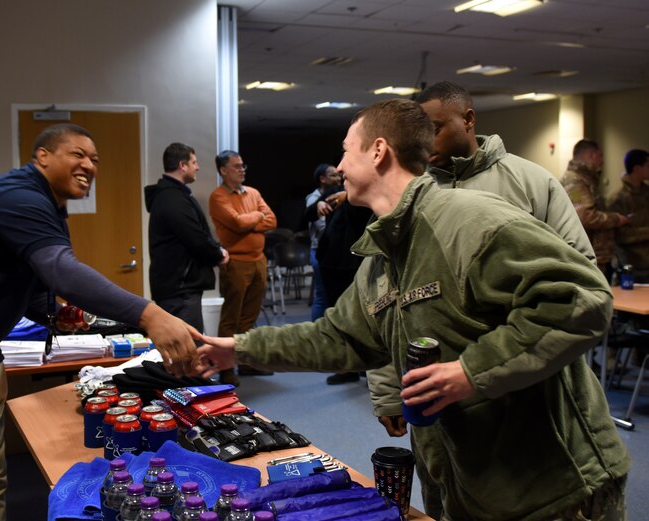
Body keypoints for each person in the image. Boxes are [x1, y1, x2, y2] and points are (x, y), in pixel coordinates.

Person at [195, 100, 629, 521]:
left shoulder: (469, 221)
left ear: (379, 151)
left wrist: (471, 371)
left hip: (554, 490)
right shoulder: (383, 258)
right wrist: (237, 349)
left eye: (346, 150)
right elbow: (338, 337)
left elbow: (581, 297)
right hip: (471, 482)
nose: (340, 166)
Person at [0, 124, 198, 521]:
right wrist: (150, 315)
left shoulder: (50, 209)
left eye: (95, 159)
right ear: (42, 156)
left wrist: (53, 313)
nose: (89, 165)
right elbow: (61, 269)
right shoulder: (16, 197)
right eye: (78, 154)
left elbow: (20, 277)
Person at [367, 82, 599, 514]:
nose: (424, 144)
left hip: (521, 393)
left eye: (435, 129)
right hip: (434, 399)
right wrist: (386, 391)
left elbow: (580, 279)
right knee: (445, 497)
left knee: (523, 499)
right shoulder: (408, 198)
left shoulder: (529, 182)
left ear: (468, 120)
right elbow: (383, 302)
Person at [209, 150, 277, 385]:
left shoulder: (253, 193)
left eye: (242, 165)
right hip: (236, 263)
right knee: (231, 318)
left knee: (249, 317)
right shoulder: (218, 197)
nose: (242, 169)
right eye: (236, 166)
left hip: (259, 261)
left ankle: (245, 363)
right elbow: (237, 224)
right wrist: (257, 215)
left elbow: (272, 220)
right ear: (223, 170)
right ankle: (226, 369)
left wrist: (252, 218)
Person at [145, 143, 229, 332]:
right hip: (180, 290)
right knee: (188, 354)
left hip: (178, 288)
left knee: (187, 351)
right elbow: (195, 237)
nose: (197, 167)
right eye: (194, 162)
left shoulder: (173, 196)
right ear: (182, 165)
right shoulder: (173, 199)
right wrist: (218, 254)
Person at [305, 181, 373, 385]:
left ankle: (367, 365)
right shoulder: (334, 190)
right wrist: (317, 206)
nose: (342, 171)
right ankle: (346, 367)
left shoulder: (367, 188)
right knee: (338, 315)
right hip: (332, 261)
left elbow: (367, 215)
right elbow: (308, 215)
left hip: (359, 261)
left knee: (366, 315)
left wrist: (349, 198)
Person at [561, 139, 631, 279]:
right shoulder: (575, 180)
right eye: (600, 156)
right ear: (592, 155)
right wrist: (616, 219)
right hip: (585, 256)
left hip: (596, 254)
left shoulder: (587, 179)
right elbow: (585, 216)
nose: (602, 161)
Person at [305, 163, 341, 321]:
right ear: (322, 179)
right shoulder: (313, 199)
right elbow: (322, 227)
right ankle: (317, 331)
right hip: (319, 250)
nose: (338, 178)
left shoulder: (338, 194)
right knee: (322, 296)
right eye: (333, 175)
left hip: (332, 252)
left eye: (338, 175)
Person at [609, 148, 649, 282]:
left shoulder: (647, 193)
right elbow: (620, 235)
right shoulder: (618, 198)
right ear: (637, 168)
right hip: (633, 264)